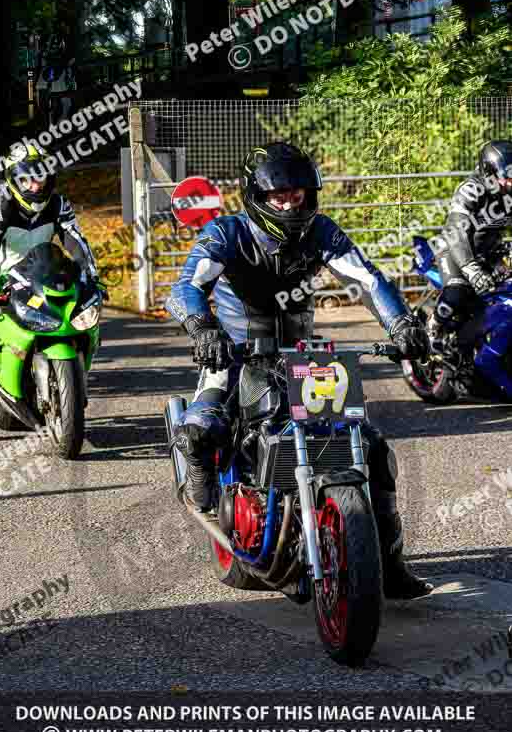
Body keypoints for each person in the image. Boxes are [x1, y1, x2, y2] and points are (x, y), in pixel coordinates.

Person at [166, 142, 433, 600]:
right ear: (258, 195)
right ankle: (202, 489)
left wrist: (403, 324)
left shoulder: (321, 232)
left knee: (369, 446)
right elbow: (186, 287)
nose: (291, 203)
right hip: (232, 354)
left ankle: (390, 561)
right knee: (202, 426)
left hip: (302, 353)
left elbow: (367, 279)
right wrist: (201, 327)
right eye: (280, 196)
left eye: (299, 195)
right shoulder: (225, 233)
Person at [0, 143, 99, 369]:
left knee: (81, 314)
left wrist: (92, 276)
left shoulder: (58, 203)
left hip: (44, 274)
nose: (35, 186)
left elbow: (75, 241)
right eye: (27, 180)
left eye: (40, 178)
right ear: (14, 180)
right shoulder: (1, 207)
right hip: (4, 279)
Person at [428, 140, 512, 389]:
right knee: (458, 291)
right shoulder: (471, 189)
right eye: (507, 175)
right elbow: (456, 229)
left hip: (489, 252)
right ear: (489, 173)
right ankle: (433, 328)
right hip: (455, 249)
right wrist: (471, 269)